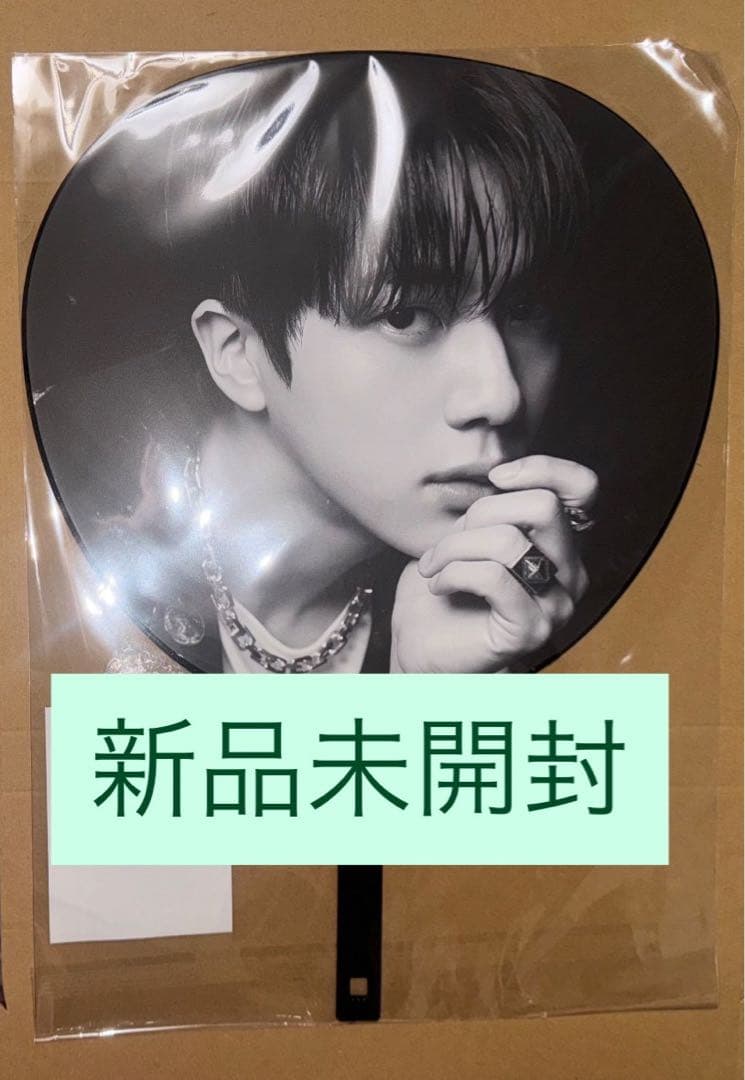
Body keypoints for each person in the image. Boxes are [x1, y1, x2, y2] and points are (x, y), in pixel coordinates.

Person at [26, 53, 601, 674]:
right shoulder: (37, 508)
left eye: (523, 310)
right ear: (237, 353)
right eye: (405, 315)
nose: (501, 395)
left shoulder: (529, 595)